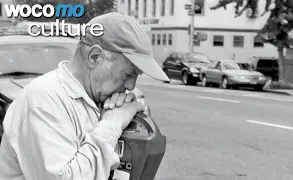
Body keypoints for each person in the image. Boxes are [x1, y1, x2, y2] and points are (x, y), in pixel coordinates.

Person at [0, 12, 169, 180]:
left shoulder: (96, 98)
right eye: (127, 74)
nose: (131, 86)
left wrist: (130, 121)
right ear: (94, 57)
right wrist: (111, 124)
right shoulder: (44, 100)